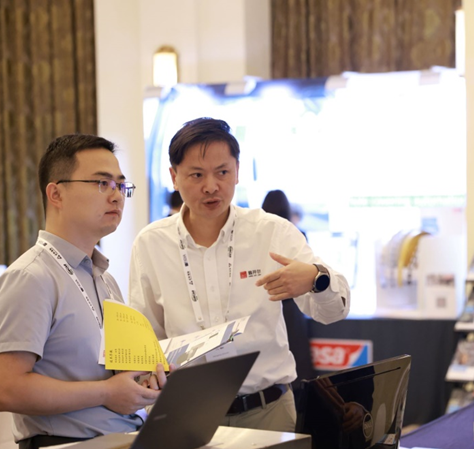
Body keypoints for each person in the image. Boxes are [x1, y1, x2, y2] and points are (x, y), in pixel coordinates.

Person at [129, 118, 350, 432]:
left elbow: (334, 311)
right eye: (197, 174)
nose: (211, 186)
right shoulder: (151, 243)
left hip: (268, 410)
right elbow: (145, 335)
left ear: (237, 171)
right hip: (187, 414)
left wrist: (316, 278)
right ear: (174, 177)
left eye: (222, 172)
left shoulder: (271, 231)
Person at [0, 134, 166, 449]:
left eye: (121, 185)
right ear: (56, 194)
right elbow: (5, 389)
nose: (116, 195)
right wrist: (105, 393)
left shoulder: (104, 279)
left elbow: (106, 372)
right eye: (102, 183)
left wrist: (144, 382)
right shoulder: (31, 277)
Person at [261, 189, 316, 389]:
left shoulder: (258, 236)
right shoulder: (296, 234)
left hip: (265, 301)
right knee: (298, 359)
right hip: (292, 305)